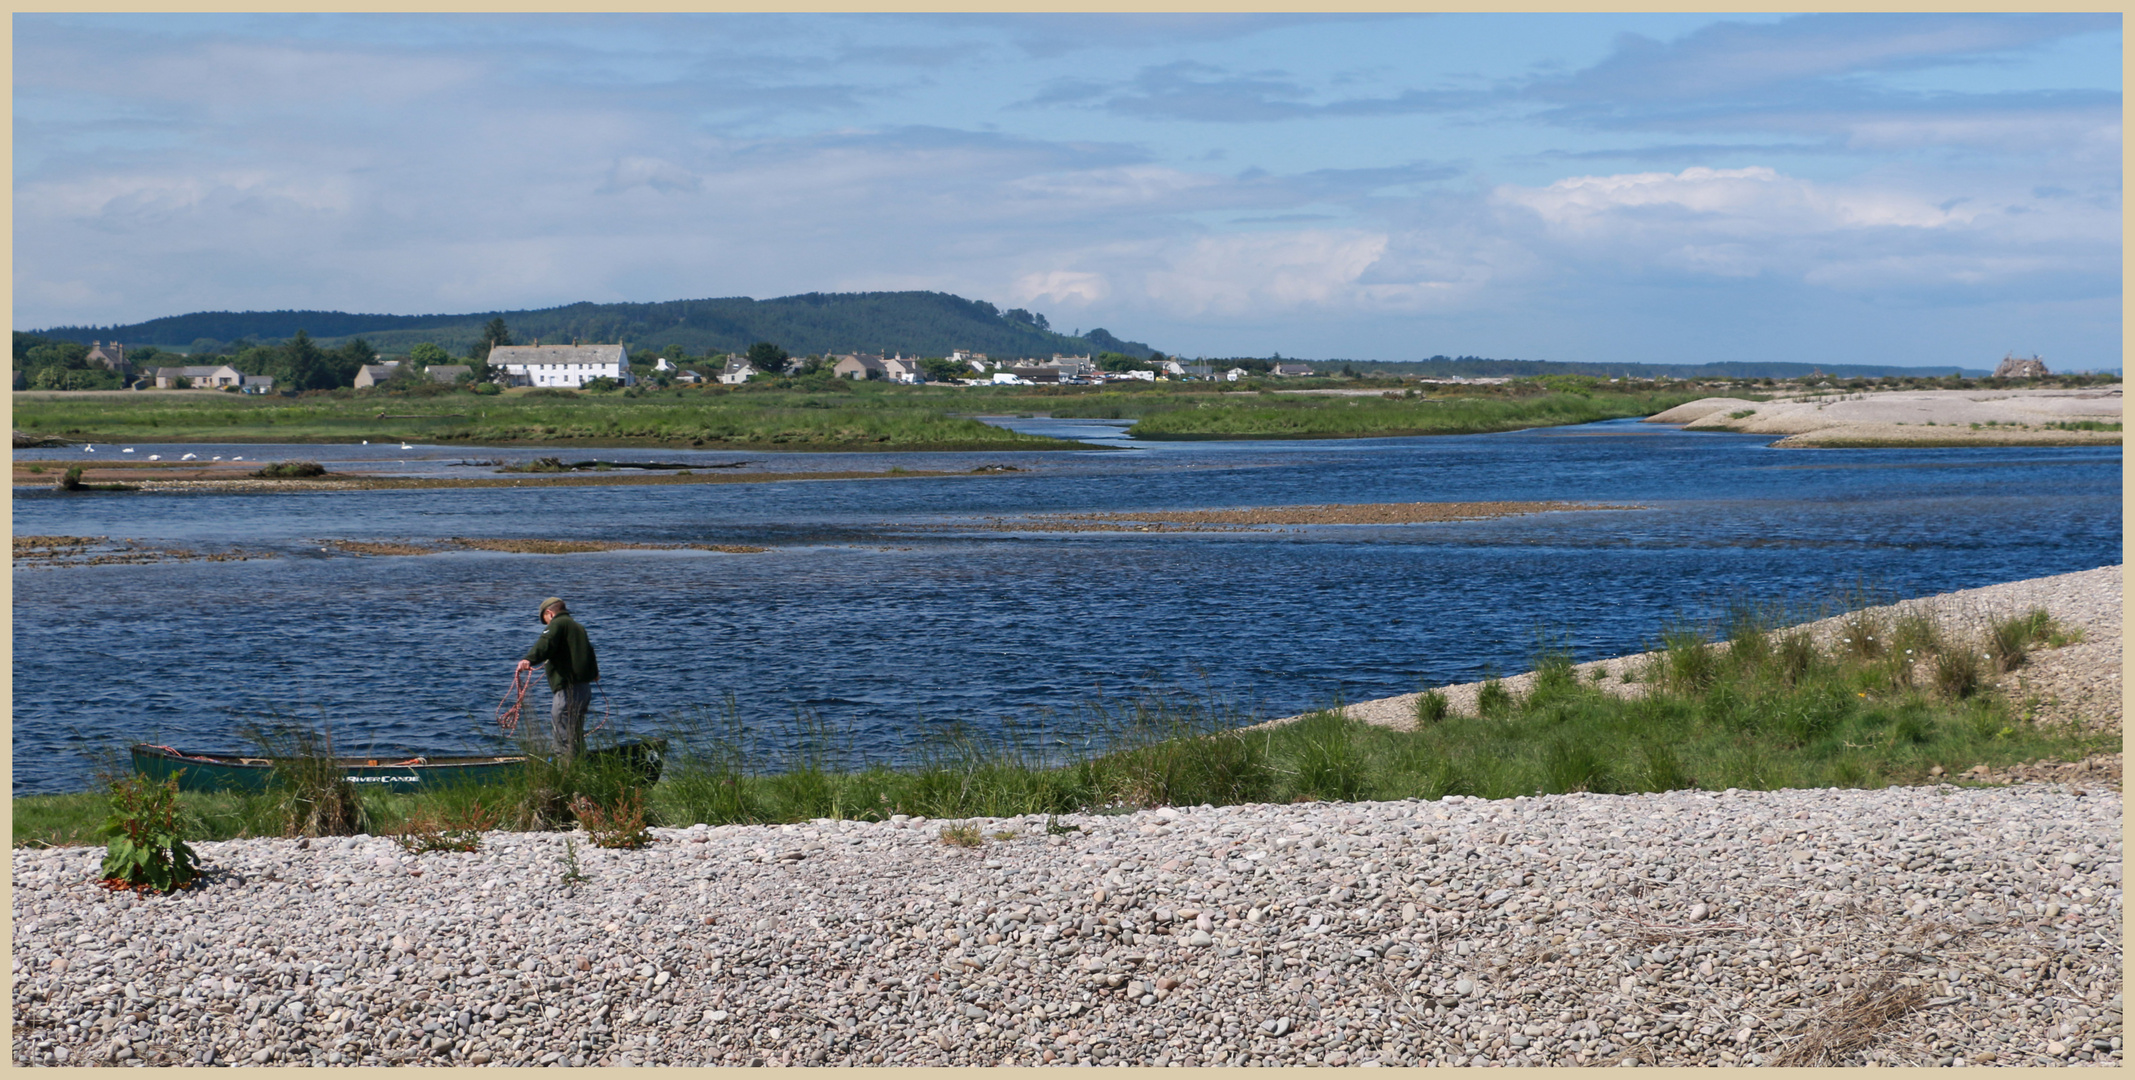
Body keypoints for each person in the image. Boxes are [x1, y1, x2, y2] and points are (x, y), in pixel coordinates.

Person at [516, 596, 599, 763]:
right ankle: (581, 767)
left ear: (550, 613)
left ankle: (566, 774)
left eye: (546, 620)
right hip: (584, 689)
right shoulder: (578, 627)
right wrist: (594, 672)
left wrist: (529, 659)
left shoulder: (557, 624)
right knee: (575, 735)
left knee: (563, 735)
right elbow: (589, 652)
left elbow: (546, 642)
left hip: (567, 691)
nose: (547, 625)